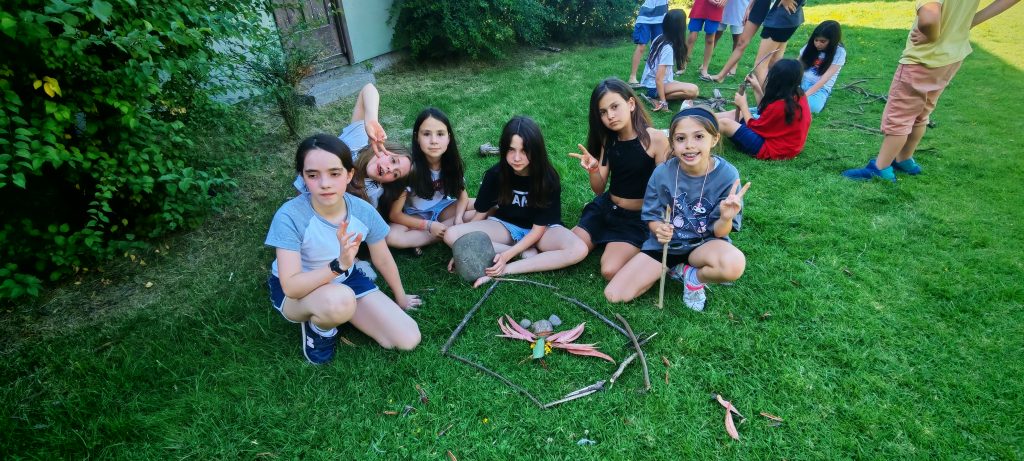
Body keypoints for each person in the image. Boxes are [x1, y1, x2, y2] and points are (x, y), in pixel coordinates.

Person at [266, 134, 422, 364]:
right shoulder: (289, 216)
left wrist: (401, 297)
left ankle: (340, 310)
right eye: (313, 175)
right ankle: (320, 330)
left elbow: (383, 258)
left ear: (349, 174)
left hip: (344, 280)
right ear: (303, 177)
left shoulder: (363, 211)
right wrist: (339, 265)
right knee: (339, 300)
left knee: (407, 338)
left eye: (334, 173)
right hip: (298, 291)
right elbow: (291, 287)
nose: (325, 183)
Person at [842, 0, 1020, 181]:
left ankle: (881, 169)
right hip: (952, 56)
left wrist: (932, 36)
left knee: (898, 118)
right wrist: (969, 21)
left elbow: (929, 18)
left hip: (923, 60)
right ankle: (904, 159)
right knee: (921, 112)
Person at [604, 107, 749, 311]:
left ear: (715, 139)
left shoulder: (727, 175)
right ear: (672, 143)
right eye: (680, 139)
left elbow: (719, 232)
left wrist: (725, 218)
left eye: (699, 137)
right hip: (665, 247)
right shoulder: (662, 173)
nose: (689, 145)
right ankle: (677, 269)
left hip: (704, 245)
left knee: (733, 264)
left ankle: (694, 277)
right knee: (614, 295)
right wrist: (658, 229)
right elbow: (651, 215)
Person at [443, 116, 588, 287]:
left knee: (579, 249)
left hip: (543, 231)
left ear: (535, 150)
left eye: (524, 150)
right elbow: (480, 214)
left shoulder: (547, 178)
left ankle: (510, 268)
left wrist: (506, 257)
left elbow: (537, 231)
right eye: (511, 150)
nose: (517, 158)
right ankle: (524, 253)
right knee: (451, 234)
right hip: (505, 226)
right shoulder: (495, 175)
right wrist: (464, 246)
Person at [569, 78, 670, 281]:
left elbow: (665, 190)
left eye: (615, 107)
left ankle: (659, 261)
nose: (610, 116)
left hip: (635, 218)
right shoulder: (609, 139)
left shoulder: (656, 139)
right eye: (603, 112)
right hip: (606, 208)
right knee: (570, 249)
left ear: (631, 104)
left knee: (610, 270)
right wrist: (594, 170)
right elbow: (599, 189)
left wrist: (660, 224)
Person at [292, 83, 413, 208]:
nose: (390, 169)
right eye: (393, 160)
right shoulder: (359, 139)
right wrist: (371, 120)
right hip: (305, 188)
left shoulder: (372, 193)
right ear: (384, 149)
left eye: (395, 174)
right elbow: (368, 88)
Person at [386, 108, 474, 251]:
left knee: (483, 206)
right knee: (391, 236)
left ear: (449, 138)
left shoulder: (452, 162)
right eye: (426, 134)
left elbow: (463, 196)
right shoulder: (409, 168)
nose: (434, 141)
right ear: (417, 137)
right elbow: (394, 214)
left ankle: (424, 237)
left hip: (443, 207)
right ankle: (449, 231)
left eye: (440, 134)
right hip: (416, 215)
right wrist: (428, 225)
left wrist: (458, 217)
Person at [715, 59, 811, 160]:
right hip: (786, 145)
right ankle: (704, 116)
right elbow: (765, 111)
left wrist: (743, 105)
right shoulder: (797, 95)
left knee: (725, 124)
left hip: (772, 149)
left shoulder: (780, 106)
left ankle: (704, 131)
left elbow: (754, 127)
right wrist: (756, 87)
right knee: (736, 114)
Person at [708, 0, 799, 83]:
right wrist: (749, 7)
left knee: (773, 60)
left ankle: (772, 90)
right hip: (761, 3)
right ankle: (721, 76)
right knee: (741, 43)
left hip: (781, 12)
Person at [640, 9, 699, 112]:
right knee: (693, 90)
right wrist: (664, 103)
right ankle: (658, 99)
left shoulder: (659, 38)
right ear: (680, 27)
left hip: (652, 84)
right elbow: (659, 79)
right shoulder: (667, 48)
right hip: (654, 87)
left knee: (694, 91)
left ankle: (656, 97)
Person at [749, 0, 806, 86]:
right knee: (775, 62)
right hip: (790, 18)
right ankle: (777, 92)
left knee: (760, 65)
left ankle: (766, 94)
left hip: (779, 19)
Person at [798, 20, 847, 114]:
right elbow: (796, 65)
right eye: (816, 40)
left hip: (820, 88)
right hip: (801, 81)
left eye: (822, 41)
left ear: (832, 41)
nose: (817, 44)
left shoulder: (839, 52)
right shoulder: (810, 46)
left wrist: (804, 97)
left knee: (812, 107)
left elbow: (823, 80)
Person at [628, 0, 670, 85]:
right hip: (645, 15)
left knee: (658, 46)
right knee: (641, 45)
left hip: (661, 16)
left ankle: (655, 74)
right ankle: (632, 77)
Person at [685, 0, 728, 80]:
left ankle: (704, 68)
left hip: (716, 7)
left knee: (710, 39)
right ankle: (683, 64)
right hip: (700, 4)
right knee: (692, 36)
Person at [712, 0, 751, 79]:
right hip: (723, 5)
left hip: (740, 6)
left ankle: (733, 65)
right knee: (715, 34)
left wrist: (749, 9)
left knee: (737, 37)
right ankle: (705, 62)